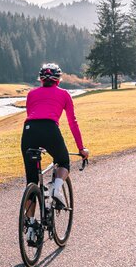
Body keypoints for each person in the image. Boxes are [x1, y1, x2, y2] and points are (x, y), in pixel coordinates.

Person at [23, 63, 88, 219]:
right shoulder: (64, 94)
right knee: (63, 161)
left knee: (31, 180)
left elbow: (32, 113)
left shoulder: (31, 94)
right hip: (50, 129)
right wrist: (81, 148)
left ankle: (30, 225)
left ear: (41, 79)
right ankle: (56, 189)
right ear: (58, 79)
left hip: (29, 131)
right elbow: (73, 122)